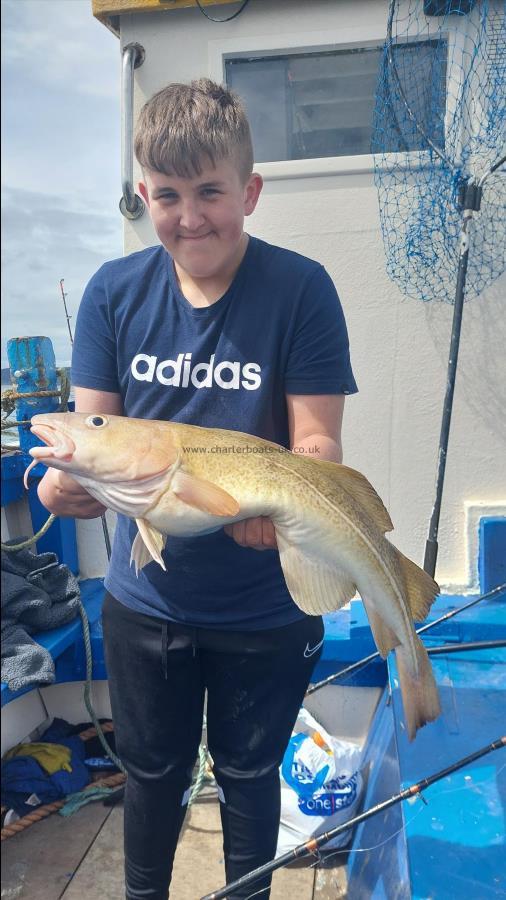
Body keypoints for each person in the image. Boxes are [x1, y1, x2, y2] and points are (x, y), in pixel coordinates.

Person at [38, 79, 357, 900]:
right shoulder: (113, 292)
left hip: (265, 608)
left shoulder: (302, 289)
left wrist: (279, 514)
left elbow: (316, 440)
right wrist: (59, 486)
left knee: (251, 780)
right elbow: (92, 431)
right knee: (151, 778)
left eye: (211, 191)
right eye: (168, 196)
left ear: (248, 191)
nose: (190, 216)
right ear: (144, 196)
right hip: (146, 608)